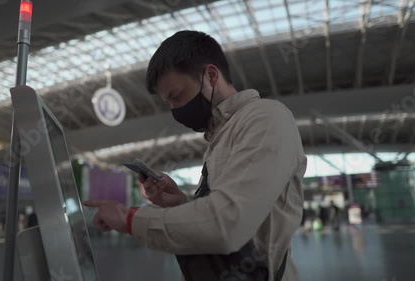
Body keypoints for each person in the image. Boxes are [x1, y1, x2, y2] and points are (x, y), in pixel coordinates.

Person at [83, 30, 307, 281]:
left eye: (176, 96)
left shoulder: (266, 118)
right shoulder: (219, 137)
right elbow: (227, 212)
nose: (175, 110)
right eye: (168, 102)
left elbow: (228, 223)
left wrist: (129, 219)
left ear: (211, 75)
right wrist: (180, 203)